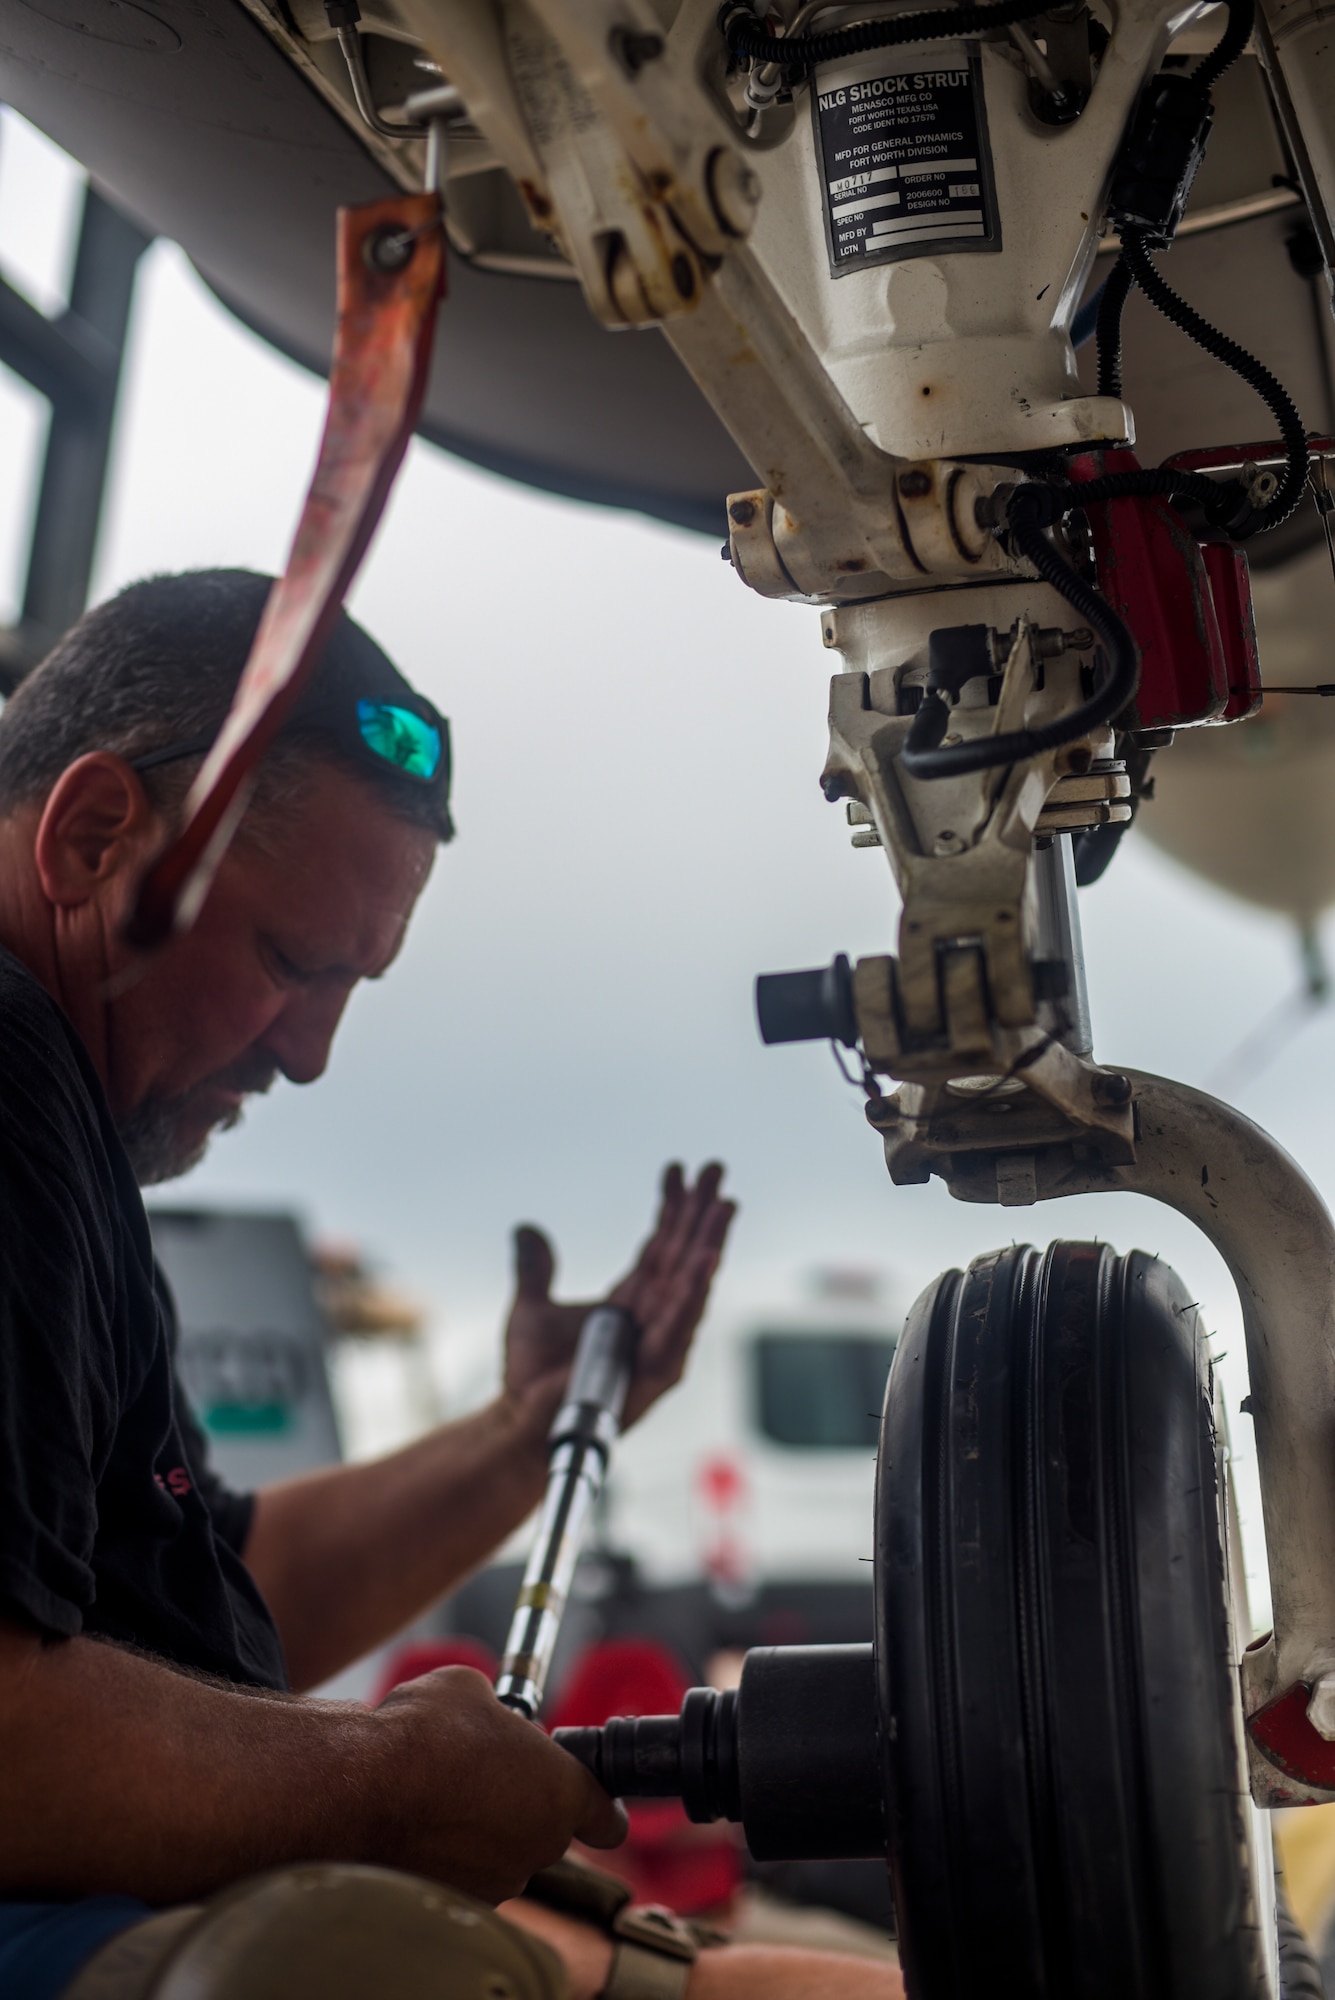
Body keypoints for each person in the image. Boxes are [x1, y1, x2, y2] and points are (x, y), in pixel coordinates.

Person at [0, 572, 902, 2000]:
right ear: (93, 832)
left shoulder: (75, 1132)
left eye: (351, 985)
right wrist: (375, 1784)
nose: (308, 1056)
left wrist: (525, 1430)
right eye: (290, 964)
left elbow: (225, 1616)